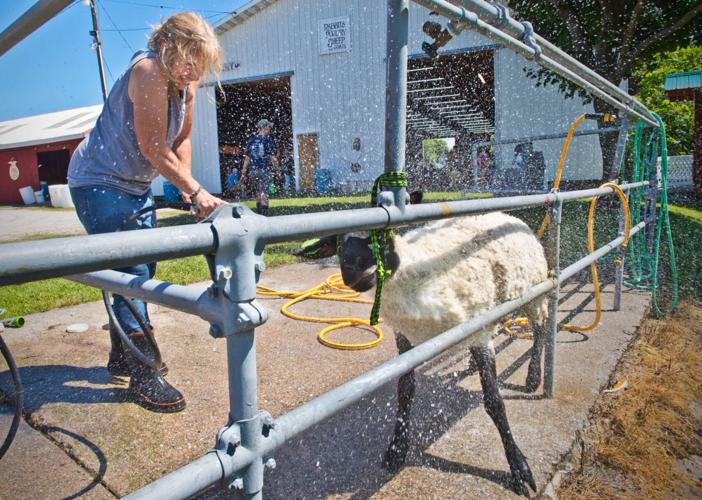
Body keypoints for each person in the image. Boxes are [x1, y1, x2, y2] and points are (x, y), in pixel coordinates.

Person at [67, 12, 226, 413]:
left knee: (142, 268)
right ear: (170, 45)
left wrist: (190, 191)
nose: (194, 71)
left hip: (133, 185)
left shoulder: (184, 84)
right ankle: (144, 370)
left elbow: (182, 139)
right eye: (190, 59)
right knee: (131, 271)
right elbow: (154, 148)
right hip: (99, 181)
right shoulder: (150, 70)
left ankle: (123, 355)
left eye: (200, 64)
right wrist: (196, 191)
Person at [240, 119, 278, 215]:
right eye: (268, 127)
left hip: (253, 172)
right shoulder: (268, 140)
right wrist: (278, 171)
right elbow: (273, 158)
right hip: (265, 170)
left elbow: (247, 159)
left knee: (258, 193)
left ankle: (258, 215)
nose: (270, 129)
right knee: (264, 193)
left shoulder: (251, 140)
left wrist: (243, 173)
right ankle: (264, 216)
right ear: (262, 128)